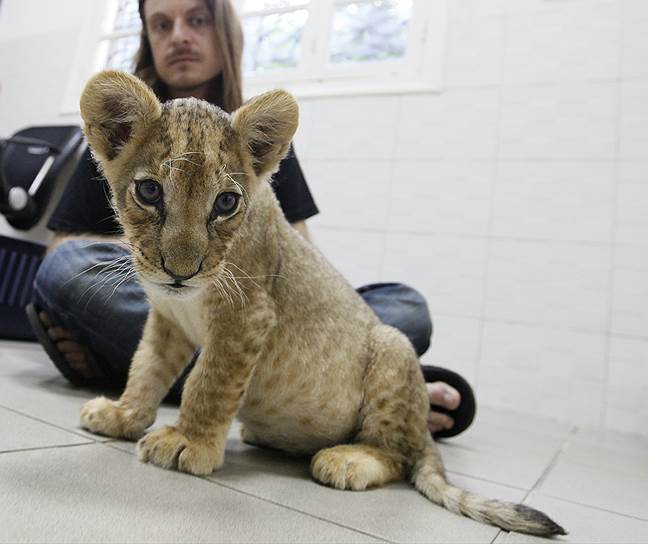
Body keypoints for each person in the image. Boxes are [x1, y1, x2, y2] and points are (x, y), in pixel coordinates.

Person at [27, 0, 475, 439]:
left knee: (405, 307)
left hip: (257, 308)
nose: (179, 35)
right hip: (153, 293)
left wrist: (322, 314)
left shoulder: (254, 136)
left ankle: (353, 377)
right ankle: (347, 393)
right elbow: (63, 250)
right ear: (148, 39)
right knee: (64, 271)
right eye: (161, 25)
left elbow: (297, 255)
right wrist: (161, 265)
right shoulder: (127, 126)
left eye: (197, 19)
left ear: (226, 32)